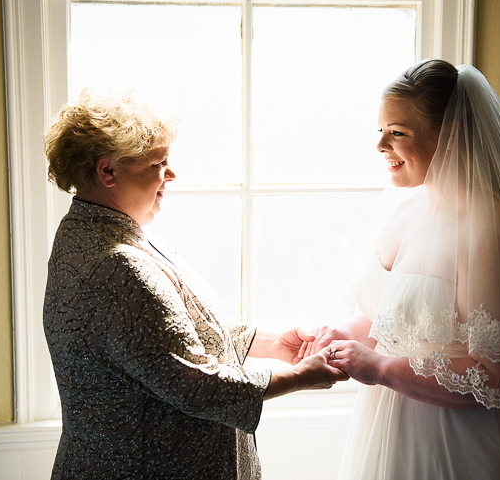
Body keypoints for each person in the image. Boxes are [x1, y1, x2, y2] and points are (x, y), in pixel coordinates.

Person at [304, 61, 500, 479]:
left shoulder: (495, 231)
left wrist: (379, 368)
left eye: (397, 133)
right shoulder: (407, 210)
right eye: (380, 131)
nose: (380, 146)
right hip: (391, 436)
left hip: (467, 446)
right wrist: (344, 335)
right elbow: (395, 314)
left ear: (450, 137)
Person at [42, 87, 346, 480]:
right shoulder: (116, 264)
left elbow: (164, 338)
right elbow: (195, 384)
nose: (170, 174)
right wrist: (303, 376)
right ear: (108, 171)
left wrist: (270, 344)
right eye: (159, 163)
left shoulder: (98, 233)